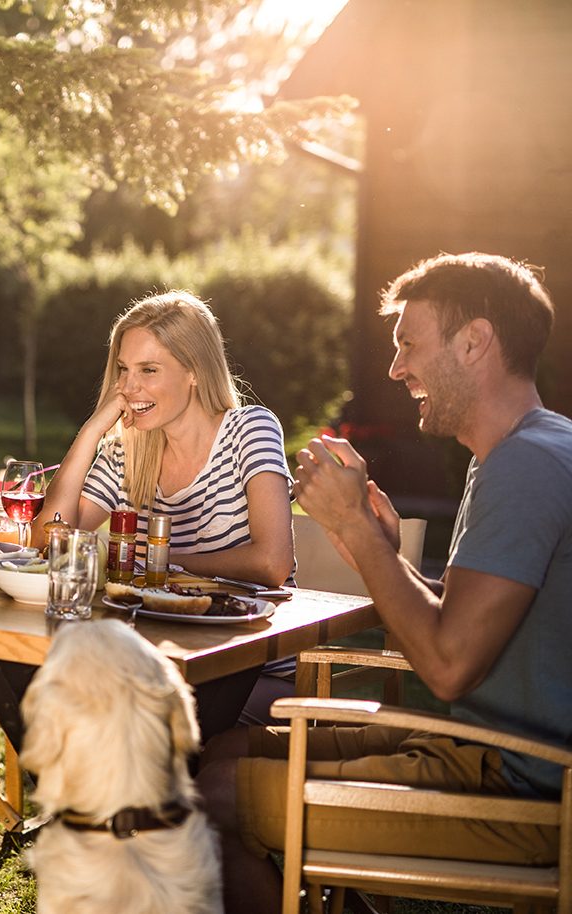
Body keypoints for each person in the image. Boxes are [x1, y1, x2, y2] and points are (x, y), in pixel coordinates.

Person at [196, 252, 570, 914]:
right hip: (479, 749)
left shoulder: (523, 468)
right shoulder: (531, 449)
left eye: (409, 345)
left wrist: (361, 538)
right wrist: (389, 556)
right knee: (220, 752)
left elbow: (448, 668)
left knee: (204, 800)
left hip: (516, 787)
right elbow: (473, 623)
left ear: (474, 342)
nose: (397, 369)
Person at [0, 291, 295, 750]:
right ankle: (102, 815)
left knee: (103, 714)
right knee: (15, 673)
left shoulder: (249, 429)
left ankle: (109, 815)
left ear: (195, 372)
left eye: (149, 370)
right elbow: (48, 538)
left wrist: (160, 560)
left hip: (246, 668)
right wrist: (92, 432)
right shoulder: (128, 450)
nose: (129, 387)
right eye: (123, 369)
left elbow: (273, 562)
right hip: (158, 658)